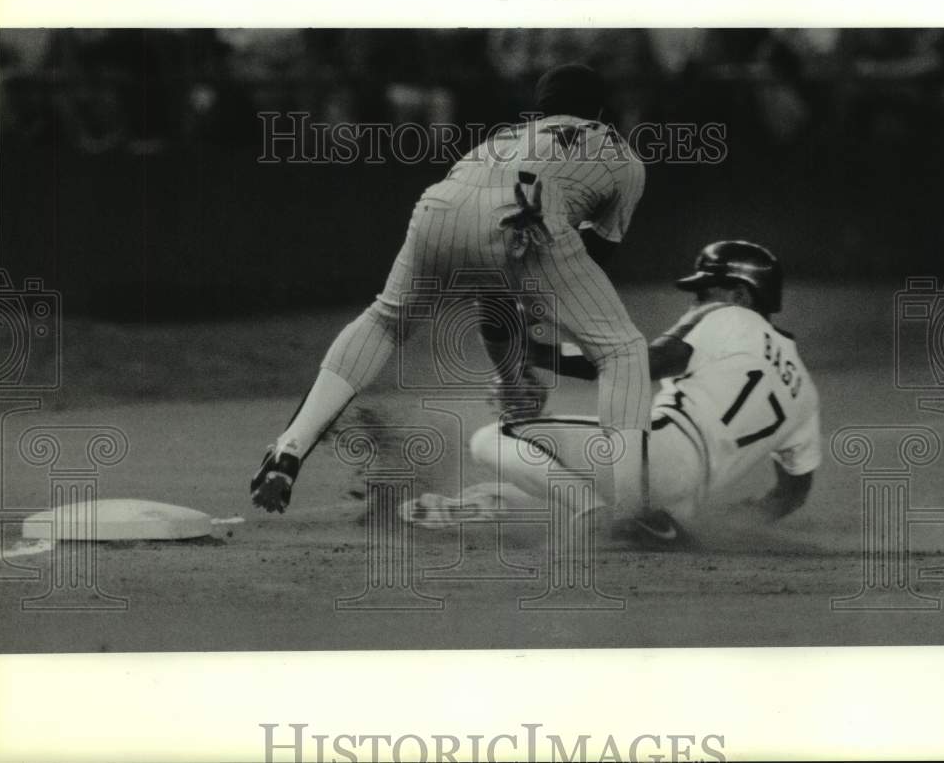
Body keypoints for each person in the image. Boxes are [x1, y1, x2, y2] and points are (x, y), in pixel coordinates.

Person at [251, 63, 662, 531]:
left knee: (385, 321)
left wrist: (512, 375)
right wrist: (531, 358)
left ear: (541, 108)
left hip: (439, 205)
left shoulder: (502, 139)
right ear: (604, 109)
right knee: (622, 349)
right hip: (531, 211)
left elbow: (498, 293)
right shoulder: (620, 155)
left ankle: (288, 447)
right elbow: (574, 278)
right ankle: (632, 511)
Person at [404, 241, 822, 548]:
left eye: (704, 290)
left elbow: (637, 364)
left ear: (741, 295)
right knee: (555, 486)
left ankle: (601, 516)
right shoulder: (805, 392)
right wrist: (732, 523)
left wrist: (537, 351)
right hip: (681, 503)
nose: (695, 300)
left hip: (656, 455)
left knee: (494, 440)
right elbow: (792, 493)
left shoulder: (730, 316)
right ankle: (476, 506)